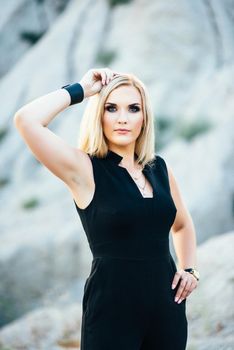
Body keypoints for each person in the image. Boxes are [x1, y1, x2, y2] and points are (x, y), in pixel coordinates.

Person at [14, 67, 199, 349]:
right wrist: (82, 89)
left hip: (167, 310)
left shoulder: (159, 168)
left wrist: (190, 270)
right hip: (112, 314)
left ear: (144, 117)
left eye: (133, 108)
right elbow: (27, 120)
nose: (122, 118)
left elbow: (182, 224)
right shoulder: (84, 169)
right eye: (111, 108)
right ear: (99, 114)